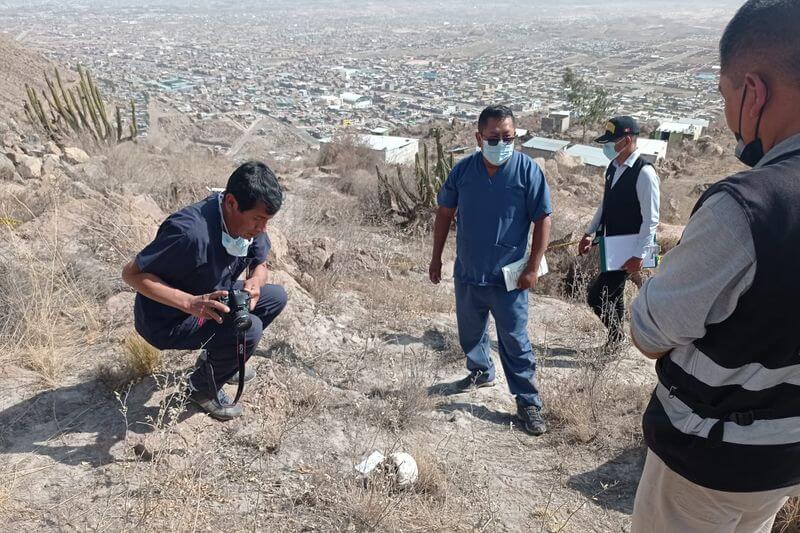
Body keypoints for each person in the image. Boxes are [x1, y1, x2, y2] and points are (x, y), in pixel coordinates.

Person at [629, 1, 800, 530]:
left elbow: (649, 331)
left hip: (708, 460)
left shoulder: (747, 207)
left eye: (727, 95)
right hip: (784, 458)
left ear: (753, 90)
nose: (729, 115)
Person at [122, 161, 288, 421]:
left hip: (210, 296)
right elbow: (131, 274)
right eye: (258, 220)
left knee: (275, 297)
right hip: (169, 319)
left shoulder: (249, 225)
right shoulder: (188, 232)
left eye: (267, 221)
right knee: (250, 329)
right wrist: (189, 303)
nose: (262, 229)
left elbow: (260, 264)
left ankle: (218, 360)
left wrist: (255, 281)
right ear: (231, 203)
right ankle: (203, 388)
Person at [430, 105, 552, 436]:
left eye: (508, 137)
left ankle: (528, 402)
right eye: (494, 138)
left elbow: (543, 219)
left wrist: (532, 267)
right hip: (469, 271)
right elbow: (444, 213)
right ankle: (481, 370)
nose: (502, 144)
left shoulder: (528, 171)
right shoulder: (464, 171)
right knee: (470, 332)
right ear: (478, 137)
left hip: (509, 278)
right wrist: (436, 257)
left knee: (514, 339)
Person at [578, 116, 660, 348]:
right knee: (614, 294)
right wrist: (589, 232)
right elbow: (606, 204)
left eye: (610, 142)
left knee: (596, 296)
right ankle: (616, 339)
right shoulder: (613, 168)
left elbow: (651, 220)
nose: (606, 147)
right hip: (612, 245)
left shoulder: (644, 173)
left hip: (630, 249)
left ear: (626, 140)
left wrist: (640, 255)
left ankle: (617, 337)